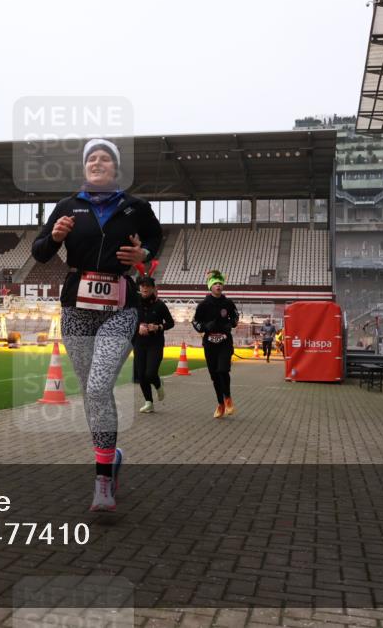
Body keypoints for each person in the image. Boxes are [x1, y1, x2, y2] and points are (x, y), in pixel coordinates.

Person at [32, 138, 163, 511]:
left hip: (120, 308)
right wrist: (55, 236)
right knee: (92, 392)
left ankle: (102, 481)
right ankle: (110, 455)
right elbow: (40, 252)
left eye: (106, 158)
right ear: (84, 167)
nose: (98, 162)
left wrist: (145, 255)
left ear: (115, 169)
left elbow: (156, 238)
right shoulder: (68, 206)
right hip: (76, 309)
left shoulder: (134, 207)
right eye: (92, 158)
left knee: (101, 383)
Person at [192, 269, 239, 419]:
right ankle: (220, 404)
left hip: (225, 342)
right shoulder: (203, 305)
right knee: (214, 375)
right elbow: (195, 321)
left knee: (223, 370)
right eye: (215, 283)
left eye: (220, 283)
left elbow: (236, 317)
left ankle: (228, 398)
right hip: (210, 343)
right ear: (210, 286)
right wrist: (205, 327)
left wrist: (230, 324)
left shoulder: (228, 303)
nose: (218, 286)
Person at [133, 275, 174, 413]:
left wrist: (158, 327)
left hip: (155, 343)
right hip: (139, 343)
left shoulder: (160, 305)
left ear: (153, 288)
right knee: (141, 374)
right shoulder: (134, 302)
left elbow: (170, 323)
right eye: (142, 285)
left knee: (150, 373)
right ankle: (148, 402)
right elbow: (127, 320)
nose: (145, 288)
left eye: (148, 286)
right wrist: (138, 327)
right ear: (139, 287)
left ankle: (158, 384)